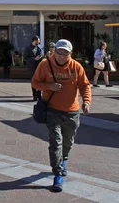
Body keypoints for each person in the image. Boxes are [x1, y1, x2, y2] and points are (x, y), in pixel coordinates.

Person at [31, 39, 91, 193]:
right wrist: (49, 86)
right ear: (55, 51)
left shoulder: (76, 67)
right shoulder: (45, 64)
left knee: (68, 142)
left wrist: (86, 102)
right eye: (59, 52)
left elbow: (84, 85)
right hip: (52, 110)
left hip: (72, 111)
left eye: (65, 53)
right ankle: (57, 174)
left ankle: (63, 161)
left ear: (70, 54)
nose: (62, 56)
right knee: (55, 141)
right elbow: (35, 82)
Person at [24, 36, 44, 101]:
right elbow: (26, 57)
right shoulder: (28, 48)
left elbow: (41, 54)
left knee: (40, 80)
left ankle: (39, 94)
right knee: (33, 80)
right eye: (38, 40)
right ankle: (34, 95)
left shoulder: (39, 47)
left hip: (39, 66)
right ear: (34, 41)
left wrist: (40, 56)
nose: (39, 42)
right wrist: (34, 59)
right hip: (32, 67)